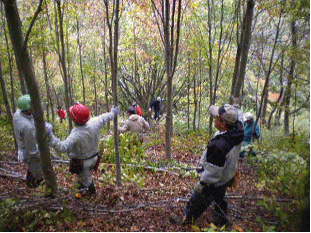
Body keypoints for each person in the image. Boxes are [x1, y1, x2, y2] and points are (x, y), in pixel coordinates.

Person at [170, 104, 244, 227]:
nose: (214, 119)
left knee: (198, 199)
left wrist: (202, 183)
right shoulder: (237, 130)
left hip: (215, 181)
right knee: (220, 197)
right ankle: (221, 218)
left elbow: (213, 173)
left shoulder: (219, 146)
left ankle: (186, 218)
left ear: (223, 123)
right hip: (226, 175)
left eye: (216, 117)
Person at [45, 103, 120, 195]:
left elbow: (62, 147)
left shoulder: (76, 134)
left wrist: (50, 135)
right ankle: (83, 193)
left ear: (73, 119)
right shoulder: (94, 122)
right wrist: (113, 113)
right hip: (93, 158)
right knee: (84, 180)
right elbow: (105, 117)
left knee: (86, 182)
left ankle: (91, 199)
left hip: (84, 163)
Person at [13, 94, 44, 188]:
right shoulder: (27, 128)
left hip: (23, 146)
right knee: (36, 170)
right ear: (26, 110)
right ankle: (36, 187)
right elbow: (32, 150)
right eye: (31, 108)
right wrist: (38, 155)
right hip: (28, 151)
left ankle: (31, 183)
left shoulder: (18, 113)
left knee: (31, 168)